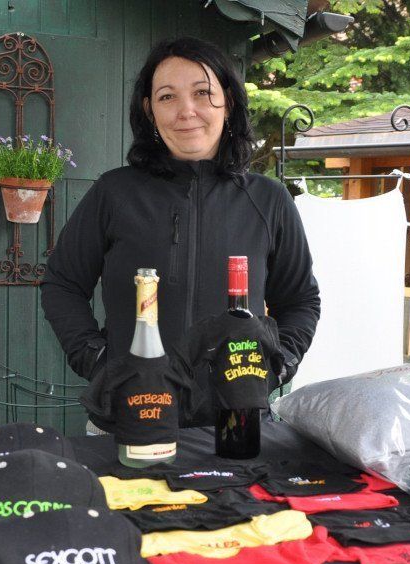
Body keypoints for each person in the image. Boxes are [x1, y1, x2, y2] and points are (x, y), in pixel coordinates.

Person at [41, 36, 319, 426]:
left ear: (228, 102)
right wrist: (99, 362)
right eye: (167, 97)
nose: (186, 111)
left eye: (202, 93)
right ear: (149, 110)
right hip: (130, 421)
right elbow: (62, 284)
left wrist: (276, 365)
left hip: (236, 426)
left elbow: (300, 301)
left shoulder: (268, 200)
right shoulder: (114, 193)